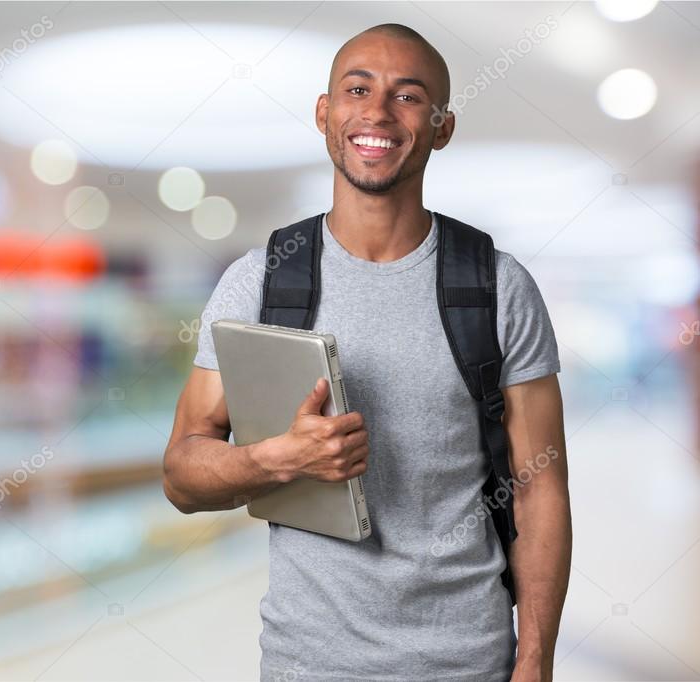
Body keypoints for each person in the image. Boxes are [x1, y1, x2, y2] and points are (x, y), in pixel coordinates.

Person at [162, 23, 572, 682]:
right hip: (307, 662)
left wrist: (535, 661)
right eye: (357, 88)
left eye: (408, 96)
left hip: (467, 662)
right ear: (325, 114)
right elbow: (181, 475)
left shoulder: (497, 286)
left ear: (441, 126)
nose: (377, 111)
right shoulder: (259, 280)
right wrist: (274, 460)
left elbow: (539, 485)